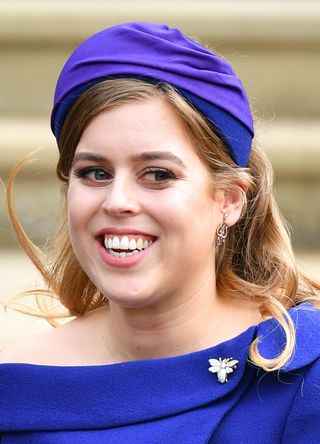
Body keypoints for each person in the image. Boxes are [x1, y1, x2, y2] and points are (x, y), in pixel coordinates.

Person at [0, 22, 320, 443]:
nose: (117, 202)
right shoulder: (17, 390)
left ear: (229, 200)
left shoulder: (301, 374)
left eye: (157, 174)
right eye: (95, 173)